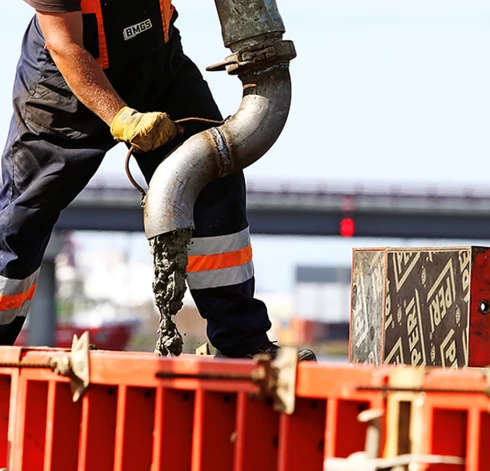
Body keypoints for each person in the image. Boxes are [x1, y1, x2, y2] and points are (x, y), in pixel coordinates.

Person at [1, 0, 316, 361]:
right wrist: (121, 117)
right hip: (65, 85)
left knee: (212, 178)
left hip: (157, 65)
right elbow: (64, 43)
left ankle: (242, 343)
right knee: (21, 217)